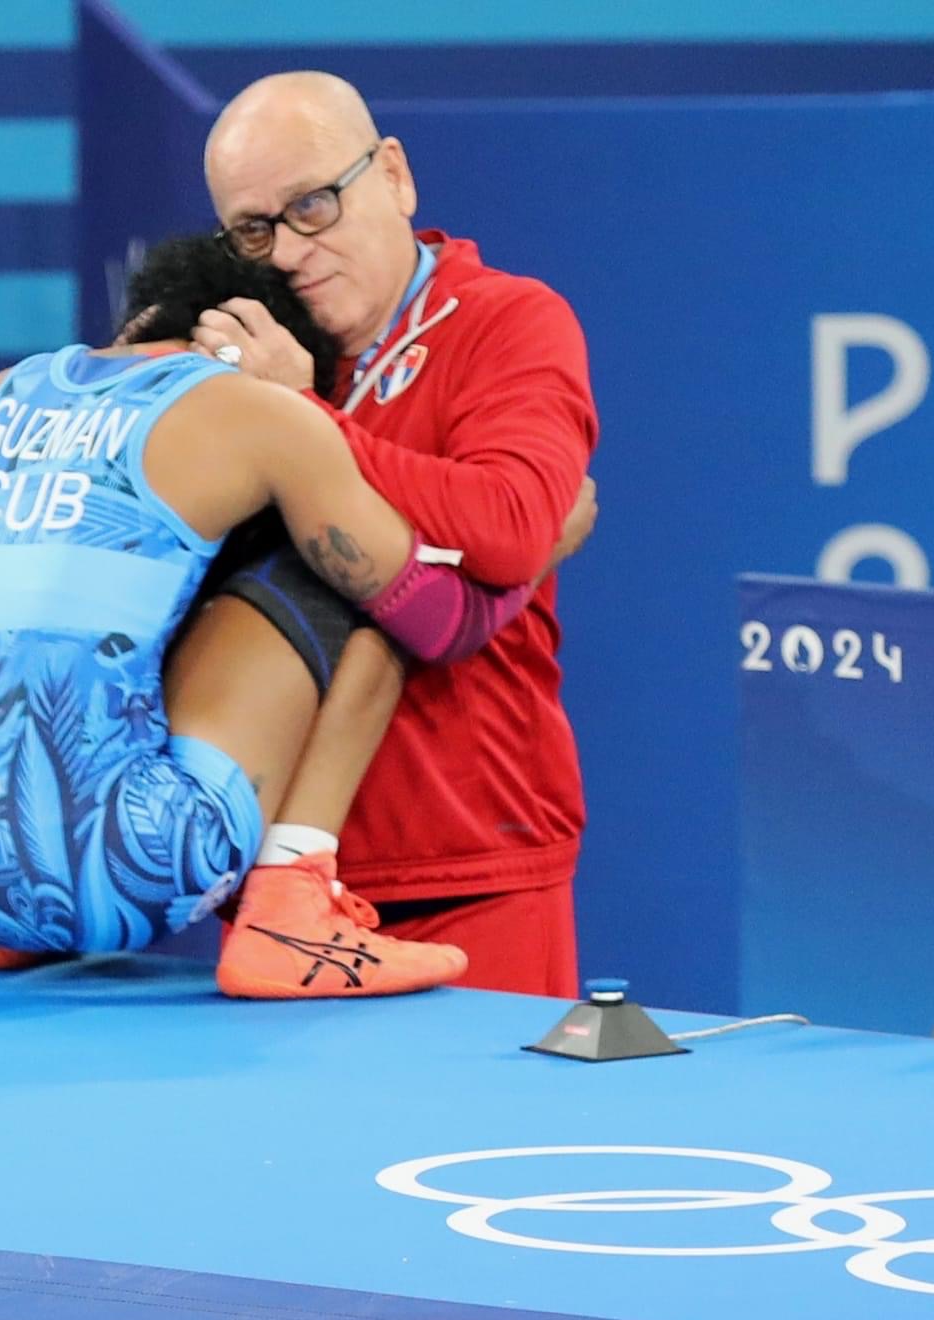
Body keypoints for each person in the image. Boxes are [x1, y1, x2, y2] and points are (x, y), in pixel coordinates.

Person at [0, 234, 590, 999]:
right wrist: (544, 547)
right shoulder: (256, 410)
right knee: (342, 565)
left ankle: (17, 919)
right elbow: (435, 618)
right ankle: (291, 904)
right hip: (125, 871)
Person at [190, 71, 598, 996]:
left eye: (314, 205)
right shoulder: (236, 351)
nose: (289, 252)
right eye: (256, 230)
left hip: (474, 873)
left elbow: (507, 526)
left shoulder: (510, 321)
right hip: (272, 897)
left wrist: (295, 422)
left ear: (396, 177)